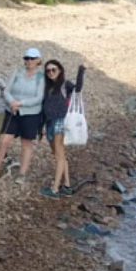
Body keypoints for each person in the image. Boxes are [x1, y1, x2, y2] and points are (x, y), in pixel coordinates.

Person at [0, 47, 45, 184]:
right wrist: (12, 102)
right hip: (12, 111)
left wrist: (20, 103)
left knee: (26, 144)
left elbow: (39, 97)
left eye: (32, 58)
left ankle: (22, 173)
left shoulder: (41, 77)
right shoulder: (17, 72)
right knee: (4, 141)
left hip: (30, 114)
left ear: (38, 60)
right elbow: (7, 90)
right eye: (27, 58)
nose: (29, 61)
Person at [39, 60, 86, 198]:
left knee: (59, 156)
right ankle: (66, 185)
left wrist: (81, 70)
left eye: (54, 70)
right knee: (58, 155)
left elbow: (78, 88)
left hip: (60, 121)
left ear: (60, 70)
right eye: (48, 71)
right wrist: (40, 128)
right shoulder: (47, 87)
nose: (51, 73)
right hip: (49, 123)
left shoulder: (65, 85)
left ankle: (54, 190)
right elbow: (43, 108)